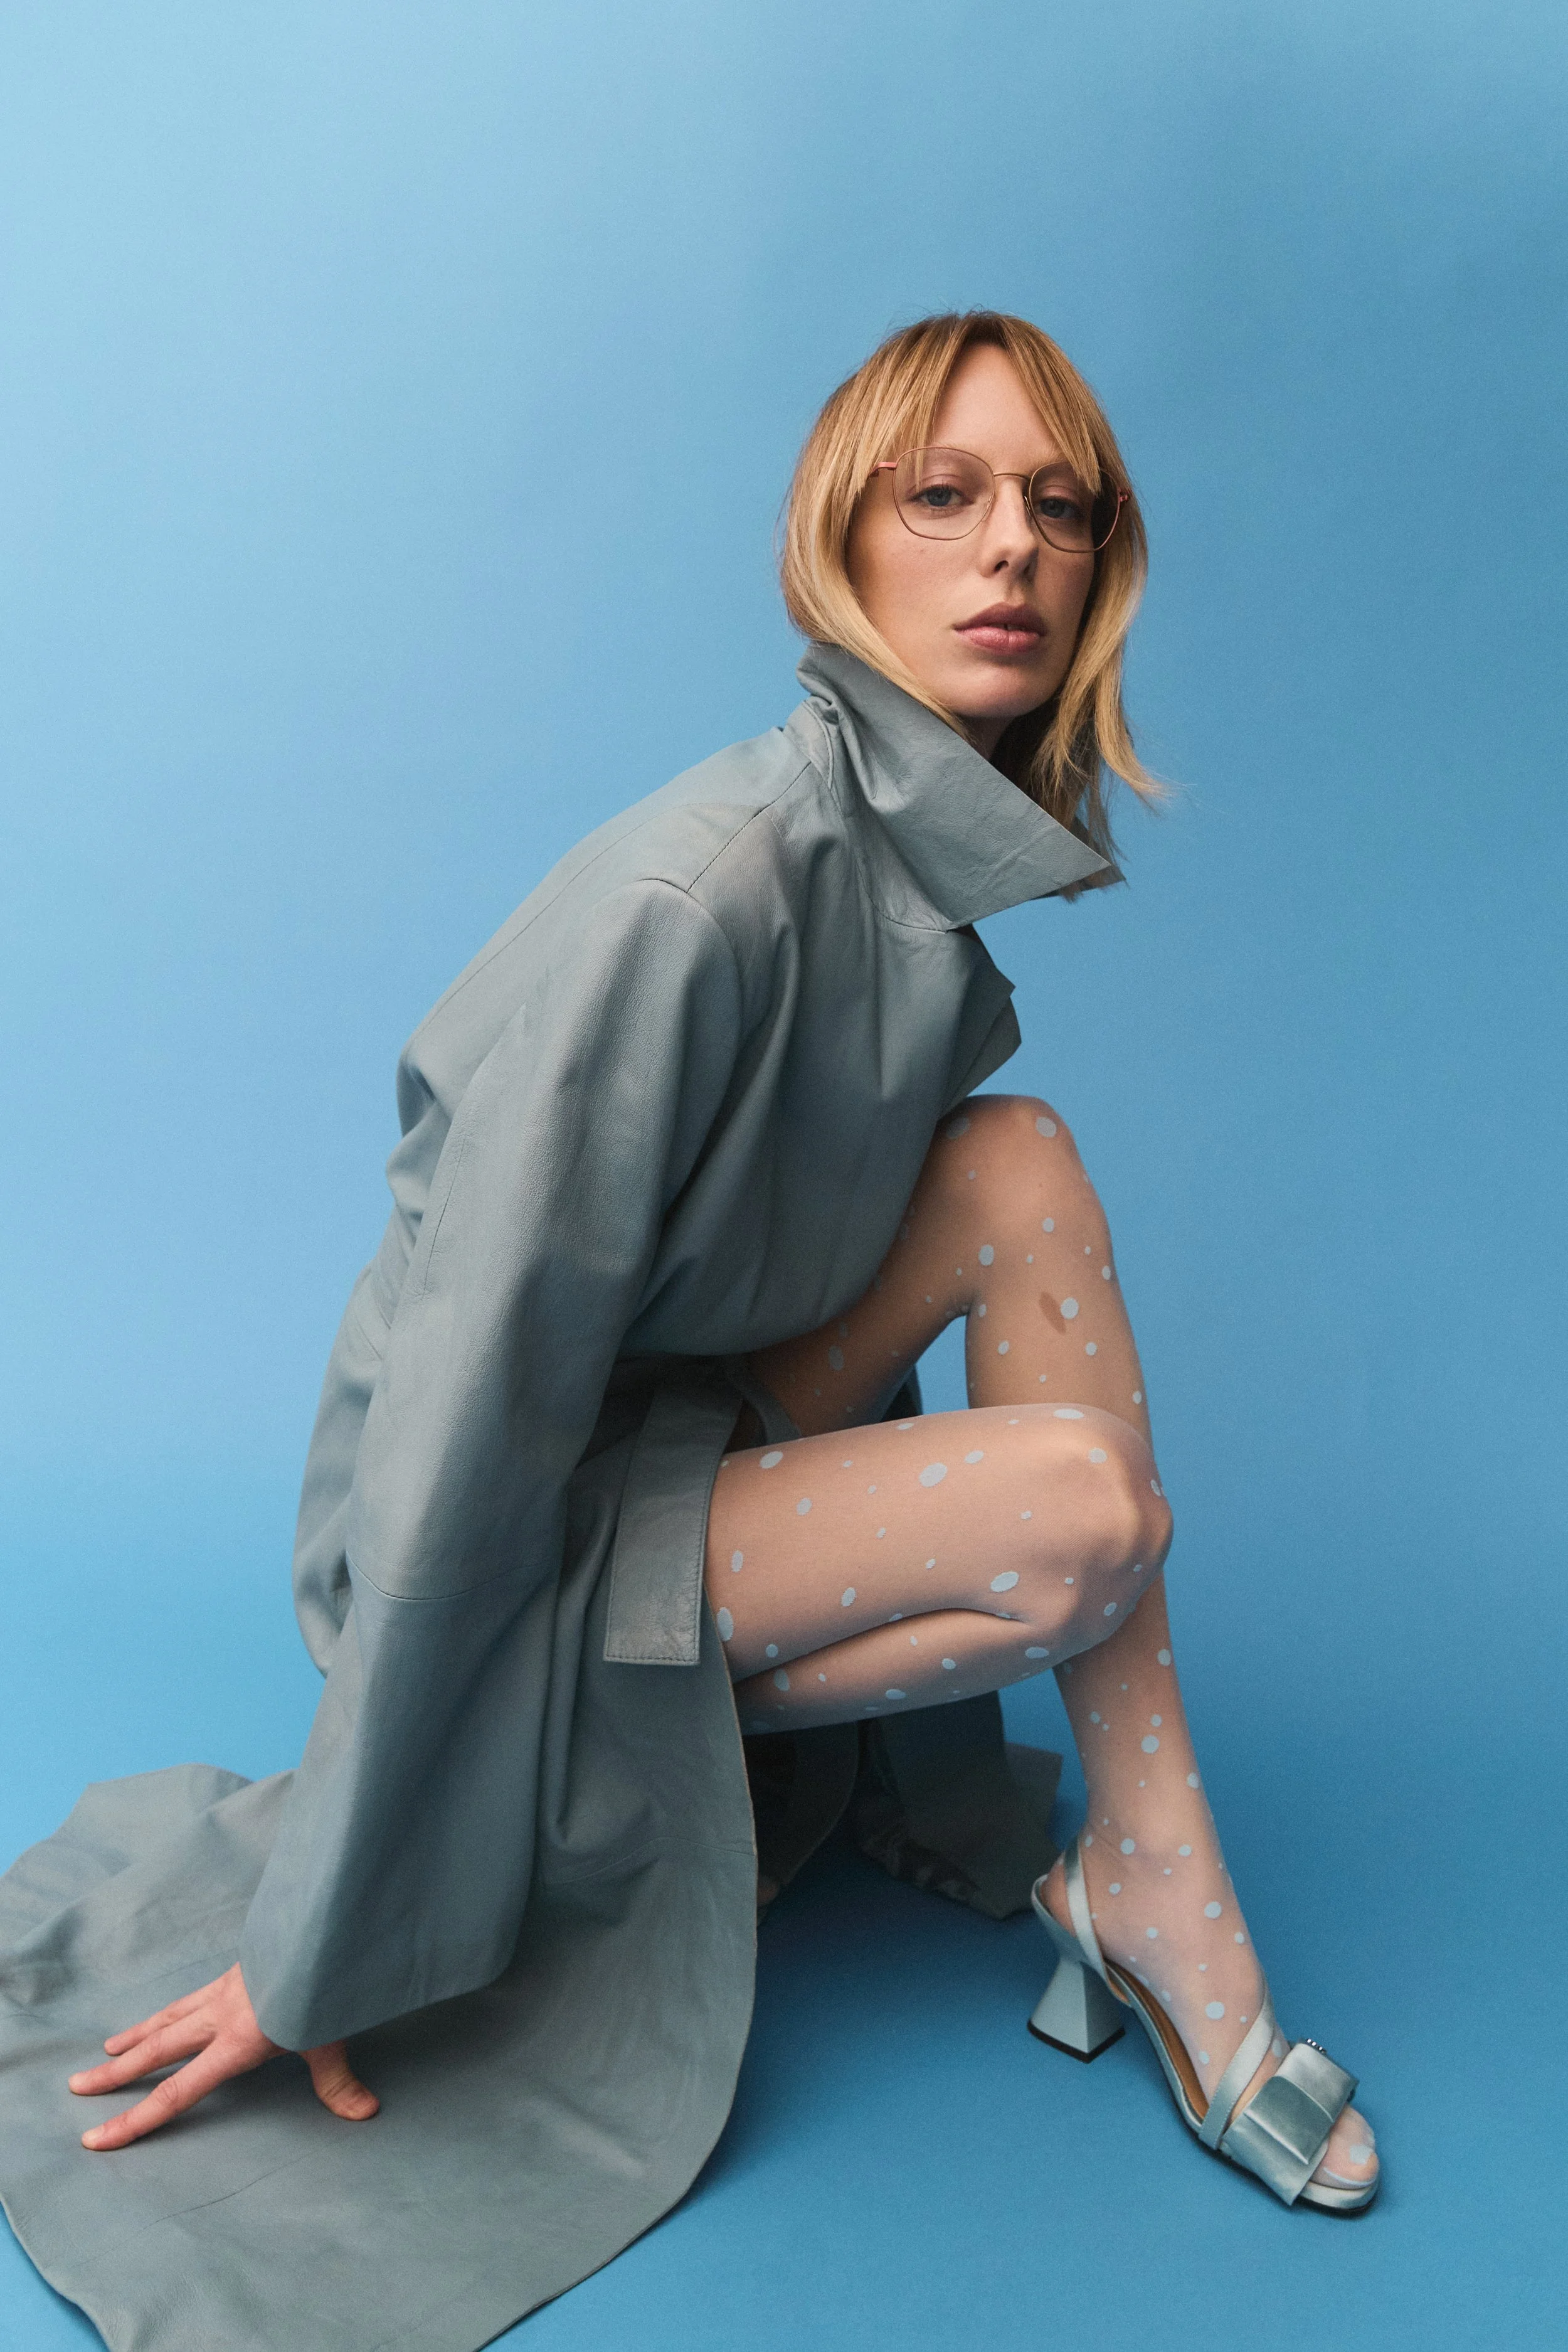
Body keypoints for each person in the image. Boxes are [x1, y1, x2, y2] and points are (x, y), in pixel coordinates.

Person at [5, 309, 1374, 2352]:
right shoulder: (700, 895)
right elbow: (466, 1412)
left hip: (665, 1443)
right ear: (844, 543)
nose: (1009, 546)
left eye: (1055, 506)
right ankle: (1156, 1909)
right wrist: (332, 1929)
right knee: (1090, 1516)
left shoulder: (895, 873)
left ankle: (1143, 1882)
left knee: (1016, 1159)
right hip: (515, 1524)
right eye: (945, 495)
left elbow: (821, 1267)